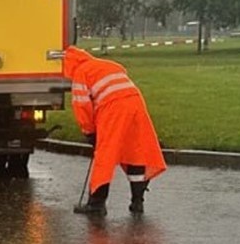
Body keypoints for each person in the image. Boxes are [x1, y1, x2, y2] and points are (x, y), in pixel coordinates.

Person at [63, 46, 167, 215]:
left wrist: (90, 132)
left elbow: (81, 106)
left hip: (113, 108)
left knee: (105, 155)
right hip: (136, 104)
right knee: (136, 151)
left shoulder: (81, 73)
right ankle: (137, 202)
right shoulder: (109, 64)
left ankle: (96, 204)